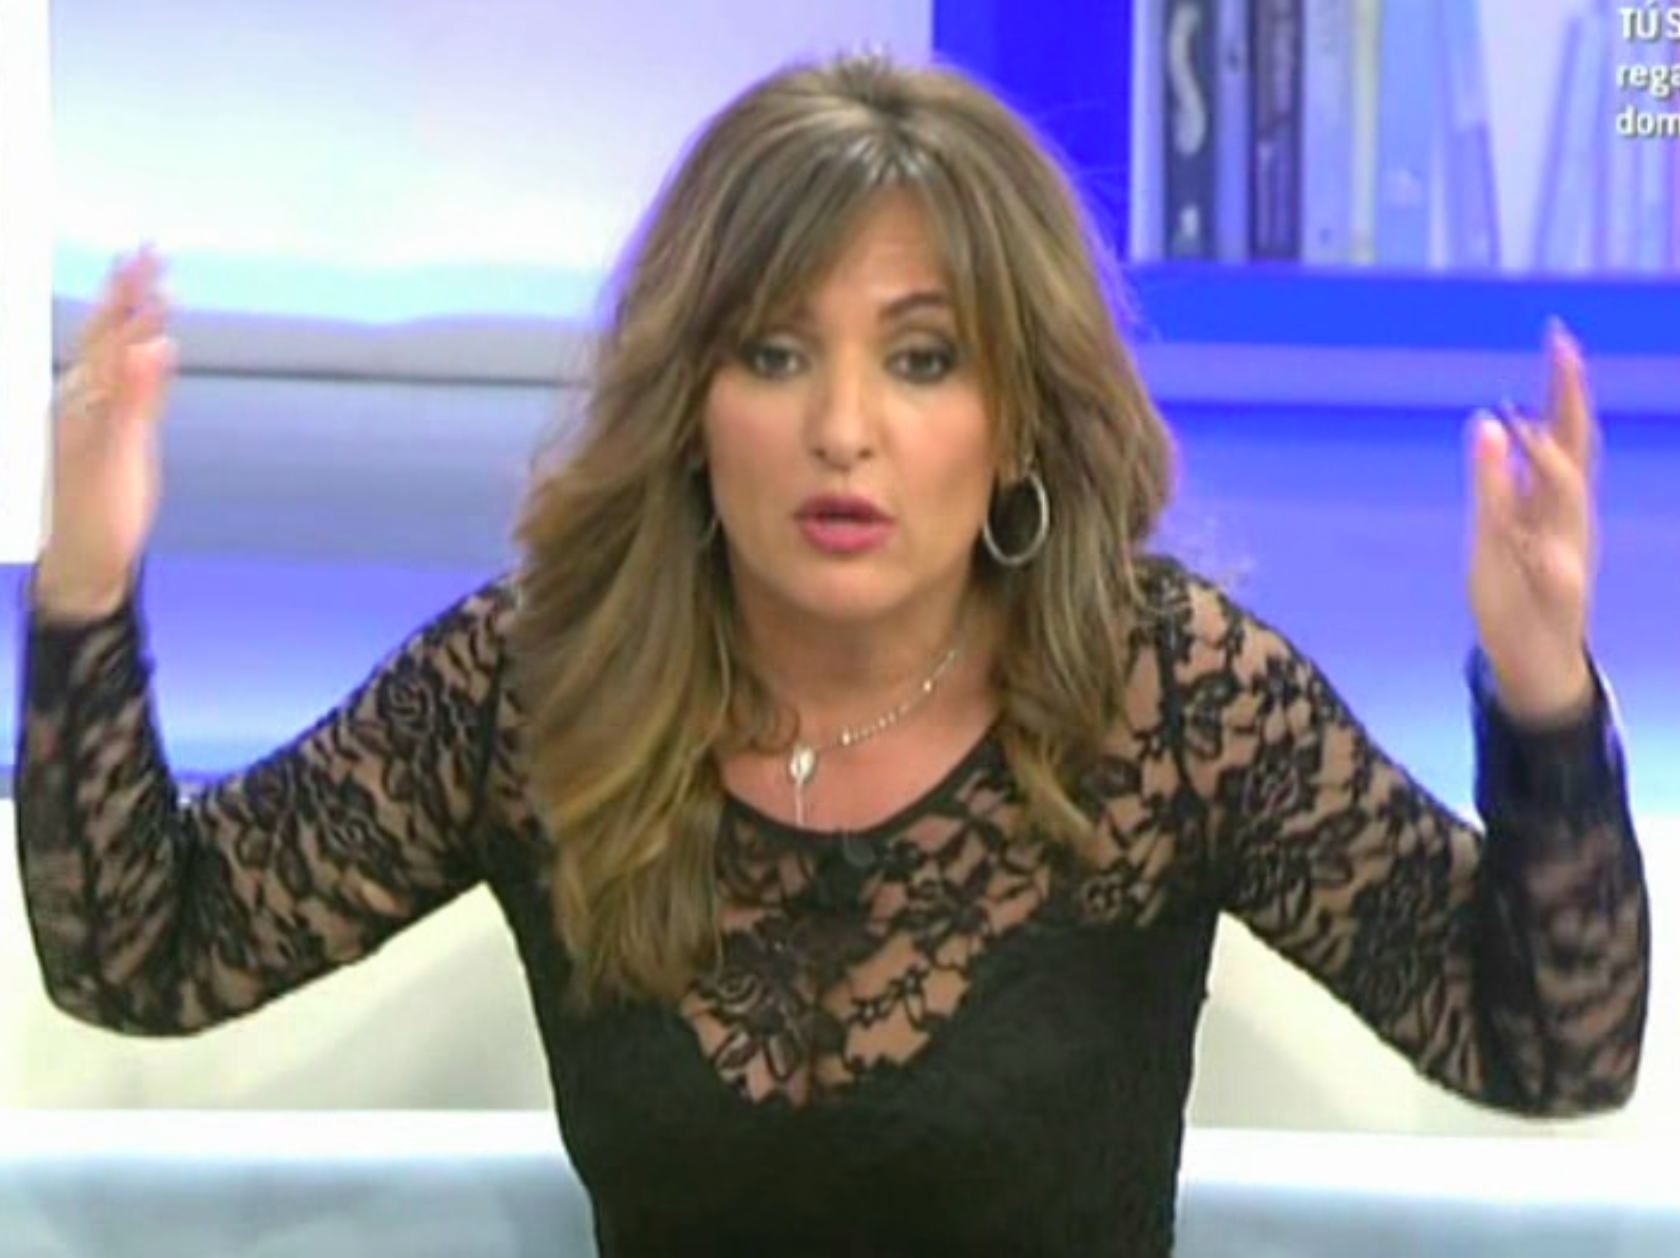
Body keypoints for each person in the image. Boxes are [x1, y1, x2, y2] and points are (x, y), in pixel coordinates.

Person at [14, 51, 1649, 1258]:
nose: (844, 429)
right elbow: (147, 952)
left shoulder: (1162, 694)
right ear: (690, 402)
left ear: (1018, 417)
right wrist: (82, 579)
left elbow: (1550, 1043)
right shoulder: (543, 684)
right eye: (775, 353)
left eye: (922, 359)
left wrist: (1543, 694)